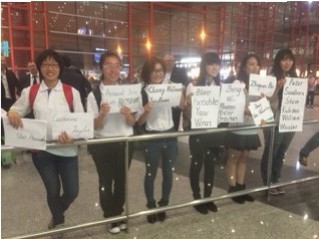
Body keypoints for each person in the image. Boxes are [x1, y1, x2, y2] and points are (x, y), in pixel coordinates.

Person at [7, 49, 84, 229]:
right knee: (52, 190)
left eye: (54, 64)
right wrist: (12, 114)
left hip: (68, 150)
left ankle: (58, 212)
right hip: (42, 152)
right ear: (40, 67)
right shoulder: (31, 92)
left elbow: (82, 122)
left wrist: (72, 135)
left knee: (72, 191)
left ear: (60, 68)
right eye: (46, 64)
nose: (50, 68)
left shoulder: (71, 92)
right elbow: (15, 110)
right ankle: (58, 220)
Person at [86, 51, 135, 234]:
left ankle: (119, 213)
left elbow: (133, 122)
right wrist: (102, 115)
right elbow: (92, 125)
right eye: (108, 65)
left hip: (125, 141)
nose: (113, 69)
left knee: (122, 180)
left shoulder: (128, 91)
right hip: (103, 144)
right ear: (101, 68)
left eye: (117, 65)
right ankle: (110, 215)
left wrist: (129, 116)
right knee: (106, 180)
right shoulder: (94, 95)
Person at [137, 57, 184, 224]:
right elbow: (140, 122)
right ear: (148, 73)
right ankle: (151, 205)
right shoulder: (143, 92)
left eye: (160, 70)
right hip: (152, 138)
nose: (157, 74)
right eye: (154, 70)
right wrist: (146, 110)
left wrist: (183, 95)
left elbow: (182, 106)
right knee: (150, 174)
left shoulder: (169, 89)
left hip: (170, 136)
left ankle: (164, 204)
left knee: (168, 173)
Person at [184, 52, 226, 214]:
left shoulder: (220, 87)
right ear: (204, 66)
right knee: (196, 164)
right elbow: (187, 113)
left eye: (217, 64)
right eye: (211, 64)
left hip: (214, 132)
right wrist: (188, 103)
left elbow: (225, 110)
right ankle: (197, 197)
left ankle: (208, 197)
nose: (214, 67)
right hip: (198, 132)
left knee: (210, 166)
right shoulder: (193, 86)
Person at [260, 49, 298, 195]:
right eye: (283, 59)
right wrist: (277, 87)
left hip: (290, 118)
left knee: (281, 150)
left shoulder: (295, 78)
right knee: (271, 149)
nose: (287, 62)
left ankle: (276, 178)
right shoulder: (271, 78)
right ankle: (267, 182)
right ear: (278, 61)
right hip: (273, 118)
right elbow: (264, 99)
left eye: (289, 59)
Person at [225, 54, 262, 204]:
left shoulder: (259, 84)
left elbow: (264, 105)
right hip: (238, 127)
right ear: (244, 66)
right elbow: (232, 106)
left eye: (256, 64)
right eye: (251, 64)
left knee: (244, 158)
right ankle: (232, 189)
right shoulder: (237, 83)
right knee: (233, 158)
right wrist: (248, 109)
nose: (254, 67)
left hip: (251, 127)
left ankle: (241, 187)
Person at [1, 55, 21, 168]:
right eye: (0, 61)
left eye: (3, 60)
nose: (2, 62)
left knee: (10, 130)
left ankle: (11, 158)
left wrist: (20, 95)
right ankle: (3, 160)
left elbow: (19, 85)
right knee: (1, 132)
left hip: (10, 105)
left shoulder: (10, 73)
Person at [163, 54, 189, 131]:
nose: (168, 63)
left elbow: (186, 84)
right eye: (166, 61)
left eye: (170, 61)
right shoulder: (161, 72)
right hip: (163, 104)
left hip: (176, 105)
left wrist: (180, 87)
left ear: (174, 62)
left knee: (174, 124)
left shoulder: (181, 72)